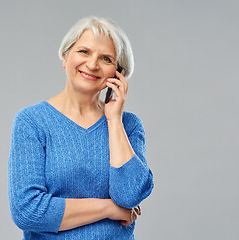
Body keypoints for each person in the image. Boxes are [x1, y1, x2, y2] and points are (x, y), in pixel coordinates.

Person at [8, 16, 154, 239]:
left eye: (106, 58)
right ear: (65, 57)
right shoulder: (32, 122)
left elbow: (129, 195)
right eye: (84, 52)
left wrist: (114, 120)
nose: (93, 64)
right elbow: (28, 211)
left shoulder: (129, 126)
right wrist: (110, 209)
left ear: (118, 73)